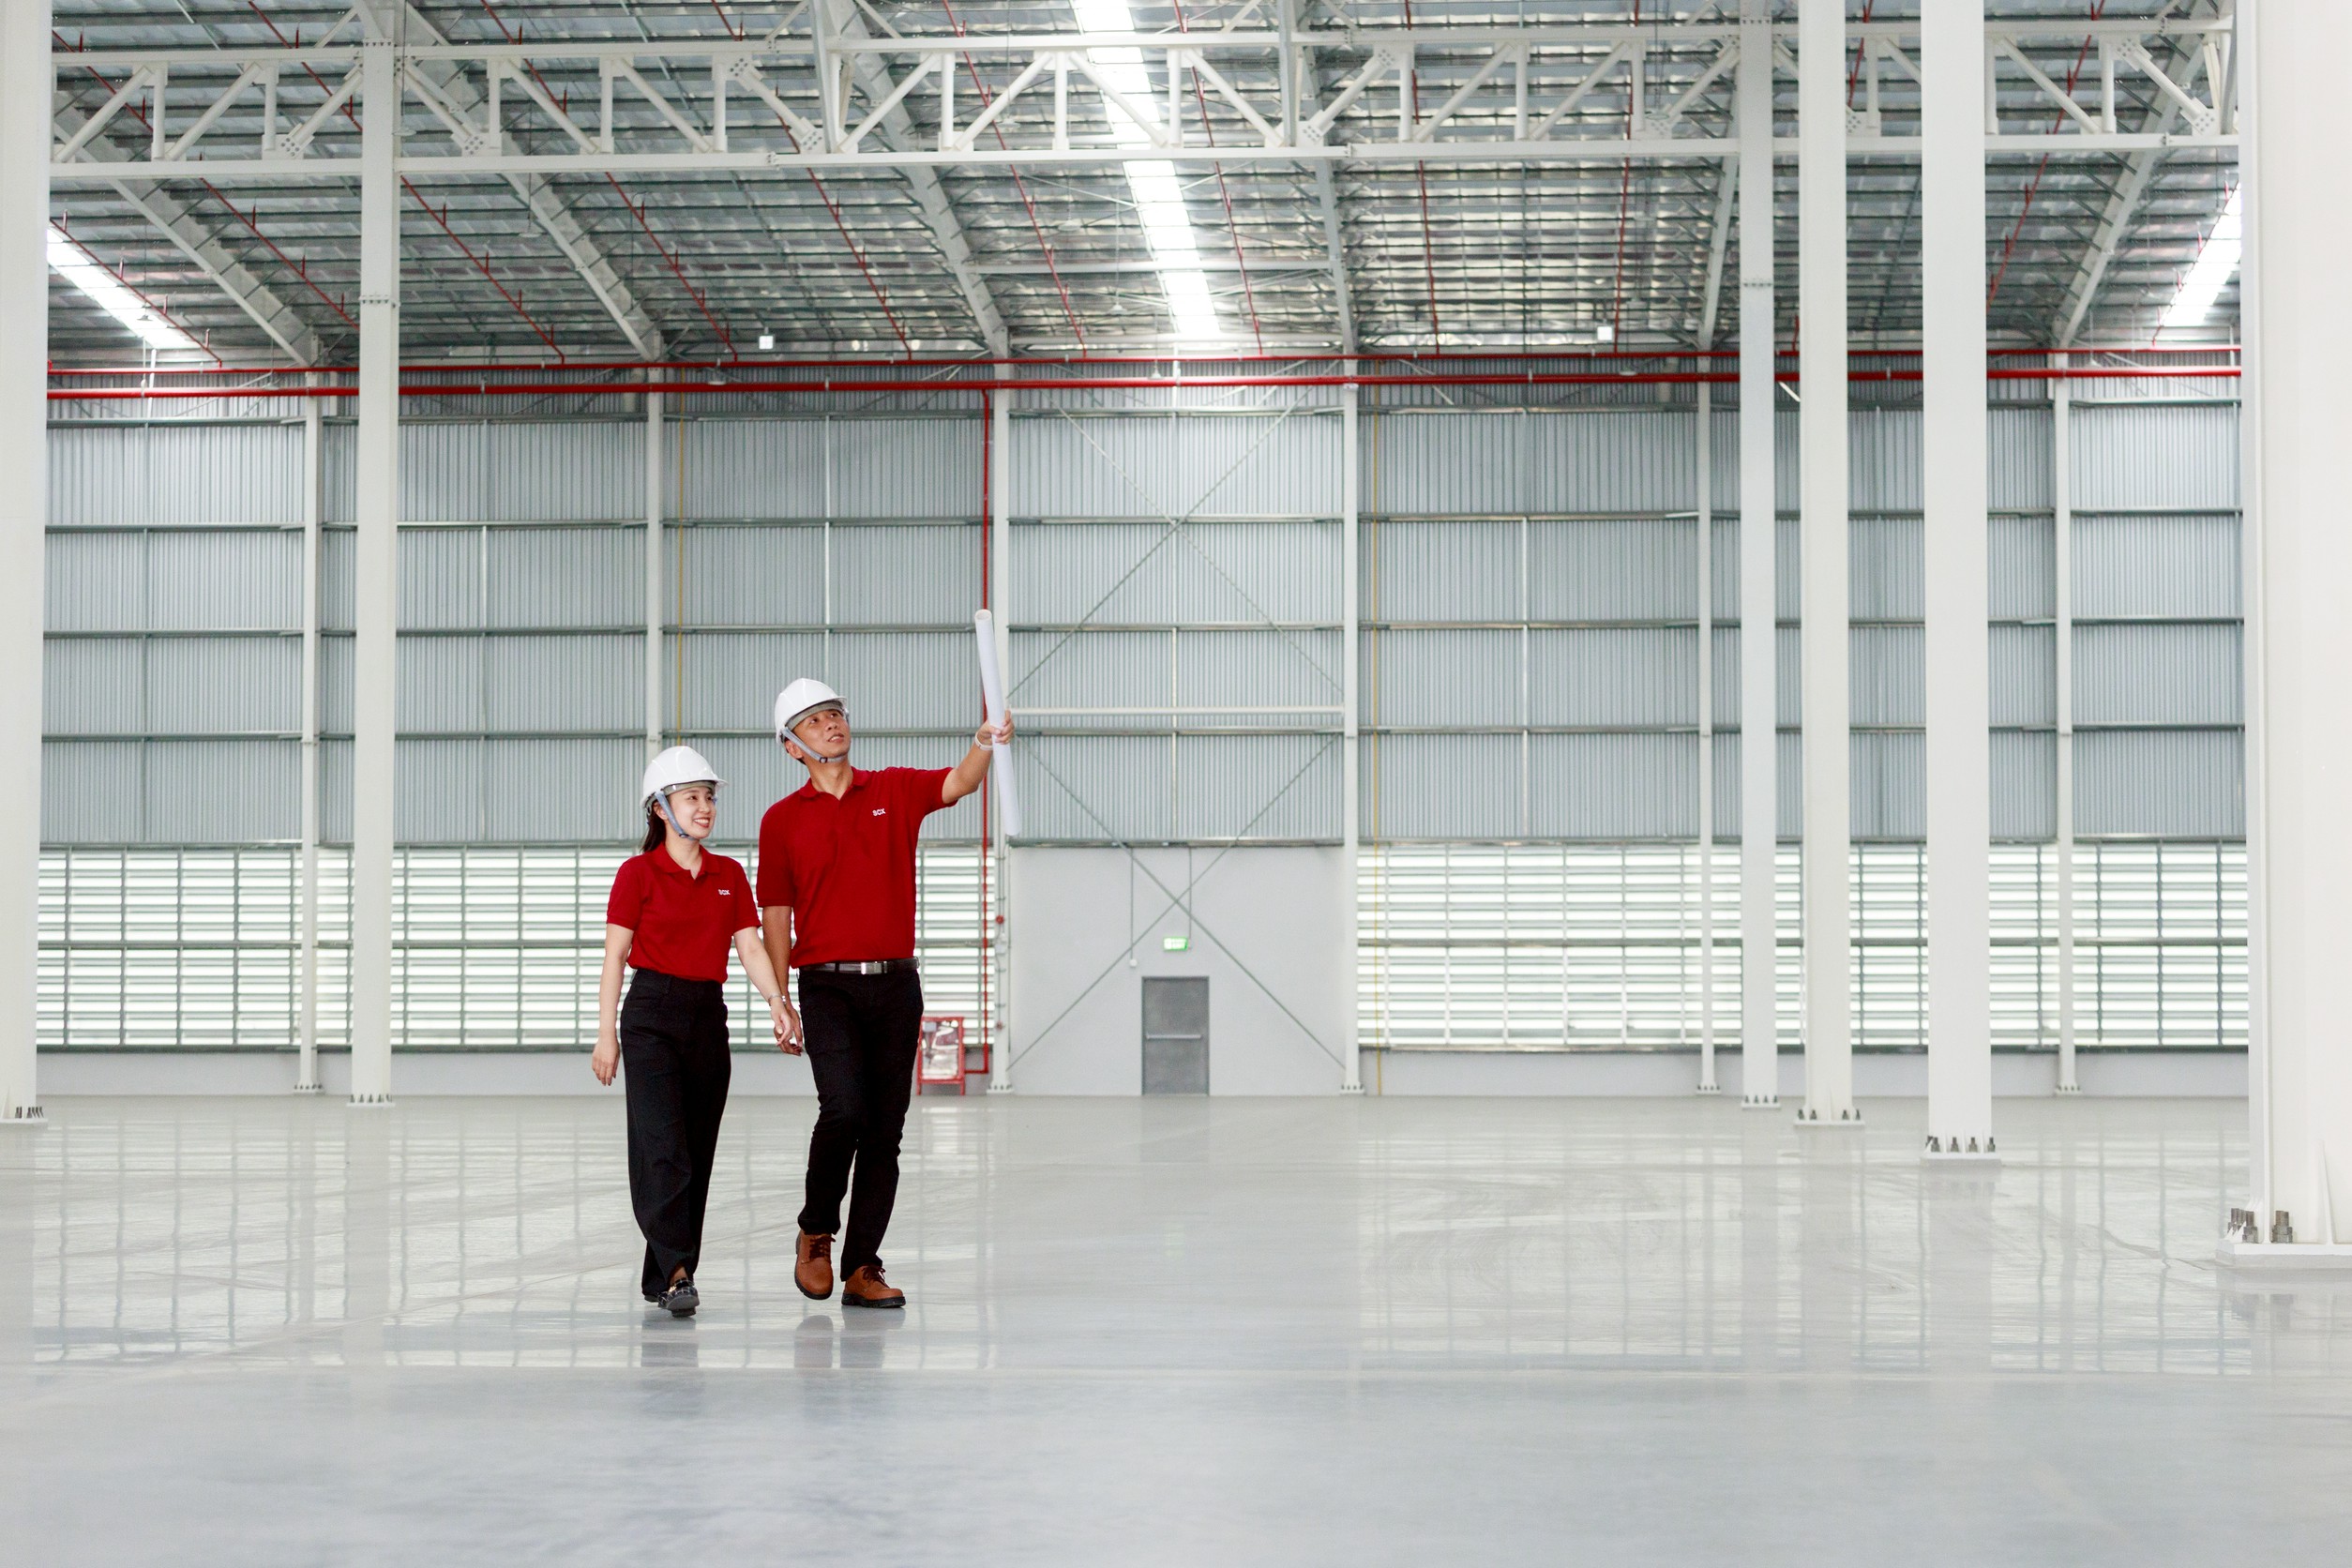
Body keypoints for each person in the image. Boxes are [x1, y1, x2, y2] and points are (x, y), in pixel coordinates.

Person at [760, 676, 1008, 1309]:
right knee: (844, 1110)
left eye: (835, 713)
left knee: (884, 1131)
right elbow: (776, 915)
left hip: (896, 985)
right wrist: (780, 1000)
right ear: (791, 746)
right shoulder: (781, 821)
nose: (831, 724)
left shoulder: (892, 789)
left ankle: (862, 1266)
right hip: (826, 987)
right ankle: (816, 1231)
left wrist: (983, 742)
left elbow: (958, 783)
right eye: (814, 720)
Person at [594, 746, 793, 1318]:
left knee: (696, 1151)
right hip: (651, 1016)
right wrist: (606, 1035)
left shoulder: (729, 875)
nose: (705, 807)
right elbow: (615, 958)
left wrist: (778, 1003)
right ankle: (679, 1271)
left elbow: (750, 947)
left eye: (708, 797)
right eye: (691, 798)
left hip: (708, 1016)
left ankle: (665, 1275)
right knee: (663, 1148)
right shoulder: (636, 874)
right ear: (660, 808)